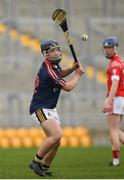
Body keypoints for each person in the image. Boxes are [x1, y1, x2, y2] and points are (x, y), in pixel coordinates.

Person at [29, 39, 84, 176]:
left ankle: (45, 166)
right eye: (52, 51)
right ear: (45, 54)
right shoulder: (48, 71)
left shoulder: (54, 66)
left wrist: (71, 69)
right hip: (39, 108)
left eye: (57, 49)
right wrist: (77, 75)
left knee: (57, 141)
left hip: (50, 108)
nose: (57, 53)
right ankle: (35, 162)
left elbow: (60, 74)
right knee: (57, 134)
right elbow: (68, 87)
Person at [102, 37, 124, 166]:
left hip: (116, 98)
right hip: (120, 98)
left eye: (110, 48)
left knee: (113, 130)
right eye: (106, 48)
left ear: (116, 48)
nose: (108, 50)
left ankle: (116, 161)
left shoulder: (115, 64)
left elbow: (115, 84)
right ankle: (115, 160)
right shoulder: (119, 61)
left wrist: (108, 102)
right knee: (115, 129)